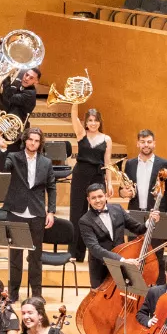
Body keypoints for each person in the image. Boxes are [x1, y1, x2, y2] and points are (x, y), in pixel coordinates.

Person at [75, 184, 151, 334]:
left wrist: (149, 224)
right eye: (93, 198)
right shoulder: (85, 220)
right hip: (102, 269)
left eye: (100, 196)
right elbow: (94, 248)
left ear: (106, 196)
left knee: (130, 309)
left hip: (124, 267)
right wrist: (123, 259)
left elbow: (136, 227)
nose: (98, 200)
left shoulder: (117, 209)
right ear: (88, 200)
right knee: (105, 313)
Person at [0, 127, 54, 299]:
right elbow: (2, 168)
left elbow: (51, 188)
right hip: (16, 211)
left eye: (37, 141)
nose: (33, 143)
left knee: (35, 257)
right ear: (25, 140)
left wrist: (51, 211)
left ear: (40, 143)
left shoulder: (46, 162)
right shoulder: (14, 157)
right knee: (15, 256)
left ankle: (36, 294)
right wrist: (2, 149)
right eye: (31, 139)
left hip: (37, 214)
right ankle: (13, 294)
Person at [126, 129, 167, 241]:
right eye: (142, 142)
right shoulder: (130, 164)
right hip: (135, 214)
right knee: (134, 253)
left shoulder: (164, 164)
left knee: (156, 254)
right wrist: (123, 192)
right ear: (138, 144)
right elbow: (123, 189)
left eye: (149, 141)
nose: (146, 145)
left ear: (154, 143)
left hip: (158, 214)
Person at [66, 105, 112, 262]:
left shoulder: (106, 139)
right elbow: (73, 115)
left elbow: (107, 163)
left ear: (100, 122)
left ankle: (98, 253)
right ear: (86, 122)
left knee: (97, 214)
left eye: (96, 120)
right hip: (80, 175)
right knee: (77, 213)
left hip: (97, 177)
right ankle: (74, 253)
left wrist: (110, 183)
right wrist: (76, 102)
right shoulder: (81, 134)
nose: (93, 123)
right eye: (90, 120)